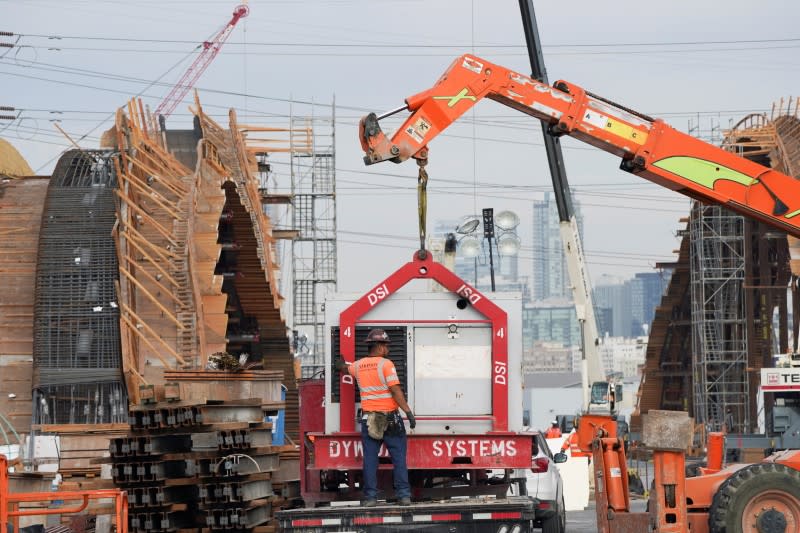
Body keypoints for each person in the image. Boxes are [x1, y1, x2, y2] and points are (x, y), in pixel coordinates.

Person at [336, 328, 415, 507]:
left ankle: (370, 498)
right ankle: (403, 496)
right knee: (398, 458)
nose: (388, 349)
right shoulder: (386, 364)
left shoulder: (358, 365)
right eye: (386, 345)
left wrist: (339, 364)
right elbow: (395, 390)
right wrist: (408, 412)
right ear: (379, 346)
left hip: (370, 420)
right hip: (391, 419)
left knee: (370, 459)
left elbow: (344, 369)